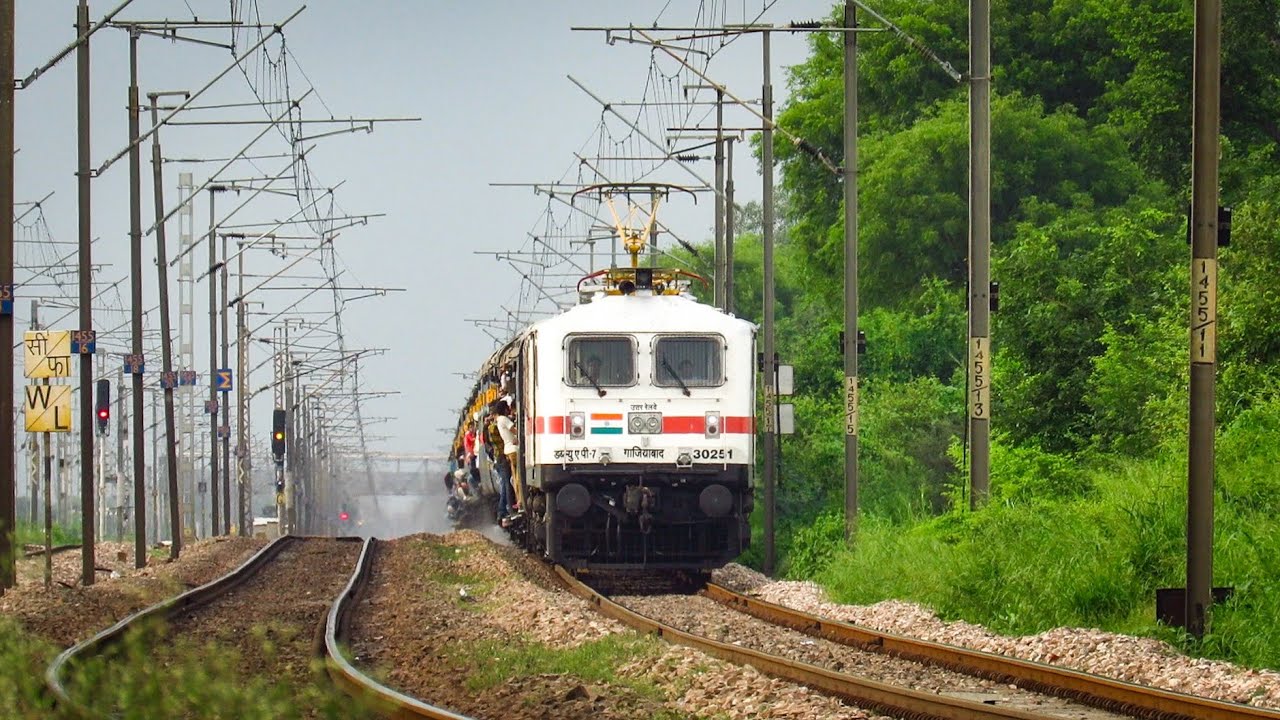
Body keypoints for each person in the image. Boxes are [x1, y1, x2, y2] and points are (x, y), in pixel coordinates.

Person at [494, 398, 520, 518]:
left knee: (514, 478)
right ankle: (519, 502)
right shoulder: (504, 419)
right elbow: (515, 430)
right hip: (514, 450)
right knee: (518, 477)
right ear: (504, 409)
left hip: (508, 450)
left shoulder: (499, 421)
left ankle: (517, 503)